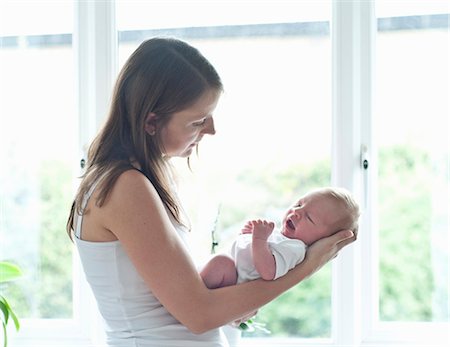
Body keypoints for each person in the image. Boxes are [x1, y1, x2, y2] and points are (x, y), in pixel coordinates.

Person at [66, 37, 356, 347]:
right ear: (151, 121)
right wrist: (310, 264)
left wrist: (236, 295)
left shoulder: (143, 178)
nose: (211, 130)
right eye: (198, 121)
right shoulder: (126, 186)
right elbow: (198, 314)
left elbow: (190, 299)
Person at [200, 187, 360, 289]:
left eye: (309, 218)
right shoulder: (281, 237)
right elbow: (249, 254)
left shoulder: (295, 249)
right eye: (299, 204)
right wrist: (248, 235)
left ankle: (194, 295)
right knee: (217, 262)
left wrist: (259, 240)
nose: (296, 212)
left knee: (220, 263)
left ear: (322, 239)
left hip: (234, 280)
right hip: (233, 273)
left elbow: (268, 271)